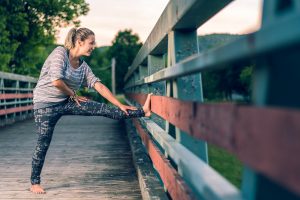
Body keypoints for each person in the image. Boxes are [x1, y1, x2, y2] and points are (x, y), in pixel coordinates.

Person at [30, 27, 152, 194]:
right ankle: (34, 182)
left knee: (103, 109)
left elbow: (98, 85)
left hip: (68, 101)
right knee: (43, 142)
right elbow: (56, 81)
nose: (94, 46)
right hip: (44, 104)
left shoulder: (83, 66)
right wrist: (73, 94)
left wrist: (119, 103)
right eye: (91, 43)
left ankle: (142, 112)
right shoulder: (60, 53)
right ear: (79, 42)